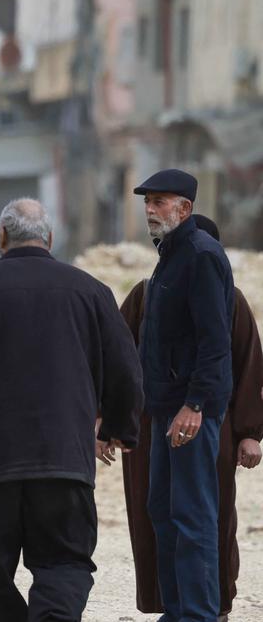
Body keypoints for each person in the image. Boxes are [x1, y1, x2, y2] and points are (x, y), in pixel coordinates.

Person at [0, 198, 142, 622]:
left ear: (1, 237)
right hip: (64, 460)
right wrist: (118, 428)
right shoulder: (91, 290)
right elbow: (127, 371)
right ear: (50, 238)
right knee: (64, 562)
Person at [113, 213, 263, 621]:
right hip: (150, 428)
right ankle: (174, 608)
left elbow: (246, 365)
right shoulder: (147, 294)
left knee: (207, 519)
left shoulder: (230, 300)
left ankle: (210, 609)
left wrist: (250, 432)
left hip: (207, 427)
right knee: (158, 514)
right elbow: (121, 361)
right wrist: (109, 419)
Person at [124, 169, 236, 621]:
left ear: (185, 208)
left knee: (193, 516)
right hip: (164, 410)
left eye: (160, 201)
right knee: (163, 510)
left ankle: (198, 614)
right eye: (147, 201)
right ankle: (178, 610)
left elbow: (215, 342)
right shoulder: (169, 255)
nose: (150, 209)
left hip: (190, 412)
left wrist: (195, 405)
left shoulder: (201, 255)